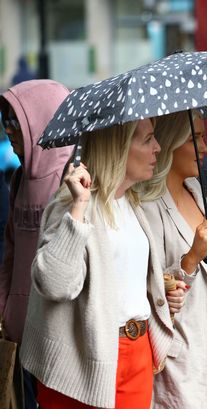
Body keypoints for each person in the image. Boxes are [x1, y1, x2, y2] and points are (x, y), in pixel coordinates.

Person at [19, 119, 180, 409]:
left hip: (137, 353)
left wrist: (163, 294)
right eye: (147, 140)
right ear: (117, 148)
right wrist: (78, 208)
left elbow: (121, 283)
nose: (158, 147)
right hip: (83, 358)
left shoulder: (133, 204)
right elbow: (54, 284)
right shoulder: (71, 204)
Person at [139, 110, 207, 409]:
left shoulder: (196, 188)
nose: (205, 148)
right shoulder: (146, 204)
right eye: (196, 138)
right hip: (179, 352)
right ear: (169, 143)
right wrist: (191, 257)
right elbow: (150, 287)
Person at [0, 79, 72, 409]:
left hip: (59, 342)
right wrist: (4, 309)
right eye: (6, 122)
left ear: (44, 119)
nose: (10, 131)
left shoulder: (73, 179)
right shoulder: (17, 180)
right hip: (18, 336)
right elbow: (11, 255)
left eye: (17, 121)